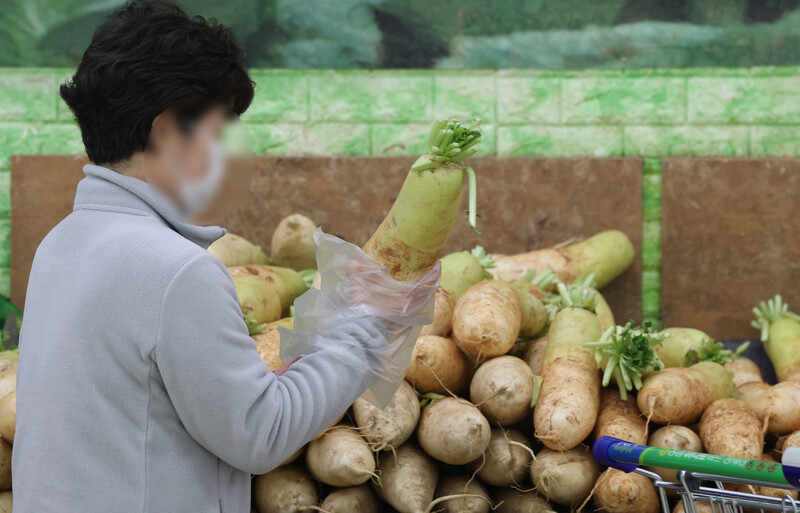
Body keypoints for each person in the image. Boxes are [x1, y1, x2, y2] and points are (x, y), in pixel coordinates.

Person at [11, 2, 437, 512]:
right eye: (219, 133)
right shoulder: (175, 270)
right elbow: (261, 433)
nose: (224, 156)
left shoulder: (59, 243)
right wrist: (368, 325)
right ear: (166, 130)